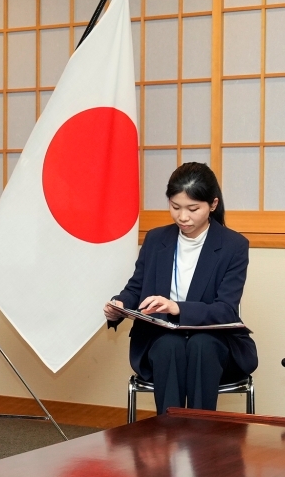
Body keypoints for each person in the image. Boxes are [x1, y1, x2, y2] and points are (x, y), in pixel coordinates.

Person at [104, 162, 257, 414]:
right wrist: (119, 305)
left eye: (193, 208)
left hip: (214, 341)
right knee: (169, 345)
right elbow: (136, 288)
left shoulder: (233, 246)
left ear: (213, 205)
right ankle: (170, 440)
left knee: (202, 345)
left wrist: (177, 307)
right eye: (175, 207)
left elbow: (226, 309)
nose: (182, 217)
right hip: (161, 337)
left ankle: (199, 440)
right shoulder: (155, 239)